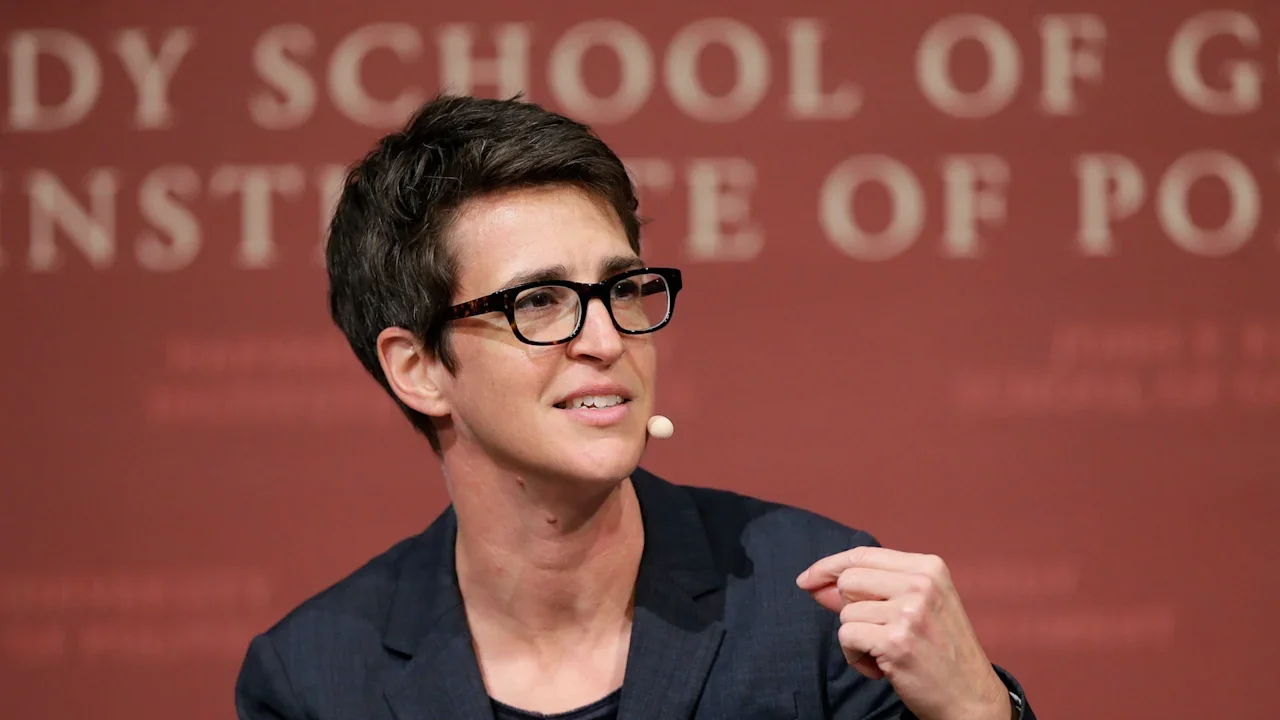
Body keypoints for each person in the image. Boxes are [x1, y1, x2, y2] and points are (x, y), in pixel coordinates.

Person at [234, 93, 1035, 720]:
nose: (606, 338)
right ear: (418, 370)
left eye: (621, 288)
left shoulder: (816, 605)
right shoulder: (313, 678)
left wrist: (978, 711)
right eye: (539, 301)